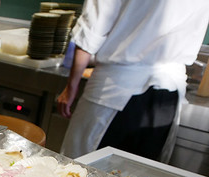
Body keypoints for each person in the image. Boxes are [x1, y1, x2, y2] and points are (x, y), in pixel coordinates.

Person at [57, 0, 209, 162]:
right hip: (168, 94)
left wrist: (71, 87)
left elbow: (91, 33)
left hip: (115, 90)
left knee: (81, 171)